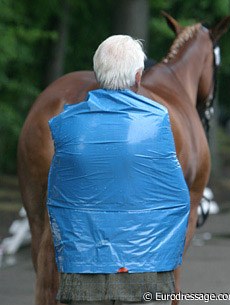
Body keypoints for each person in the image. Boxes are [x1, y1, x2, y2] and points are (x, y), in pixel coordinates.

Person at [47, 35, 190, 305]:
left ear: (98, 74)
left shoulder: (65, 125)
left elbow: (59, 198)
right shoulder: (156, 122)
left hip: (82, 266)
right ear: (138, 76)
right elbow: (176, 198)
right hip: (144, 265)